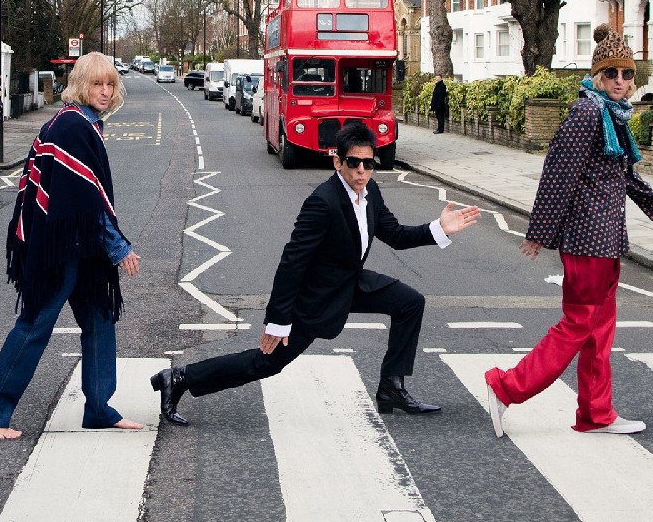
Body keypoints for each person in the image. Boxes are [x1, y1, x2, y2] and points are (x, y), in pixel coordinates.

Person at [152, 120, 481, 425]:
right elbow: (292, 261)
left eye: (369, 163)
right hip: (315, 297)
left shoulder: (371, 194)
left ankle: (391, 387)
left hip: (350, 282)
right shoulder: (322, 202)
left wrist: (440, 228)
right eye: (354, 162)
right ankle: (180, 378)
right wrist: (278, 320)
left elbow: (395, 235)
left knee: (410, 302)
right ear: (338, 162)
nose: (362, 170)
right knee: (266, 363)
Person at [484, 24, 653, 438]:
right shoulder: (586, 113)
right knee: (579, 324)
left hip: (606, 241)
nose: (619, 81)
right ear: (598, 76)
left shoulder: (609, 115)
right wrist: (539, 231)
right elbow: (558, 175)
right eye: (611, 73)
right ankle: (506, 386)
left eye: (627, 74)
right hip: (587, 242)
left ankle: (595, 413)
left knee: (599, 330)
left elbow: (624, 178)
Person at [0, 51, 143, 439]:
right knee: (35, 322)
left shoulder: (84, 123)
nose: (105, 90)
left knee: (99, 320)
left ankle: (99, 407)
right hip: (60, 245)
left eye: (110, 83)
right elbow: (87, 202)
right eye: (97, 83)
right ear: (81, 85)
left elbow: (84, 197)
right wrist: (119, 247)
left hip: (78, 244)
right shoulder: (72, 126)